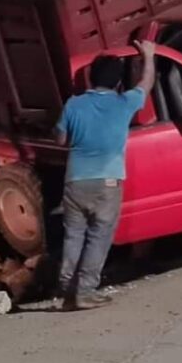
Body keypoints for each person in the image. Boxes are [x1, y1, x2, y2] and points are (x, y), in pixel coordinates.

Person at [55, 39, 156, 310]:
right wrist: (148, 55)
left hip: (75, 180)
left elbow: (61, 140)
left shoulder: (73, 105)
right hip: (107, 181)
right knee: (99, 236)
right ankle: (86, 290)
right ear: (118, 82)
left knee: (74, 235)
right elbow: (146, 84)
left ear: (91, 79)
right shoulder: (124, 102)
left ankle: (67, 289)